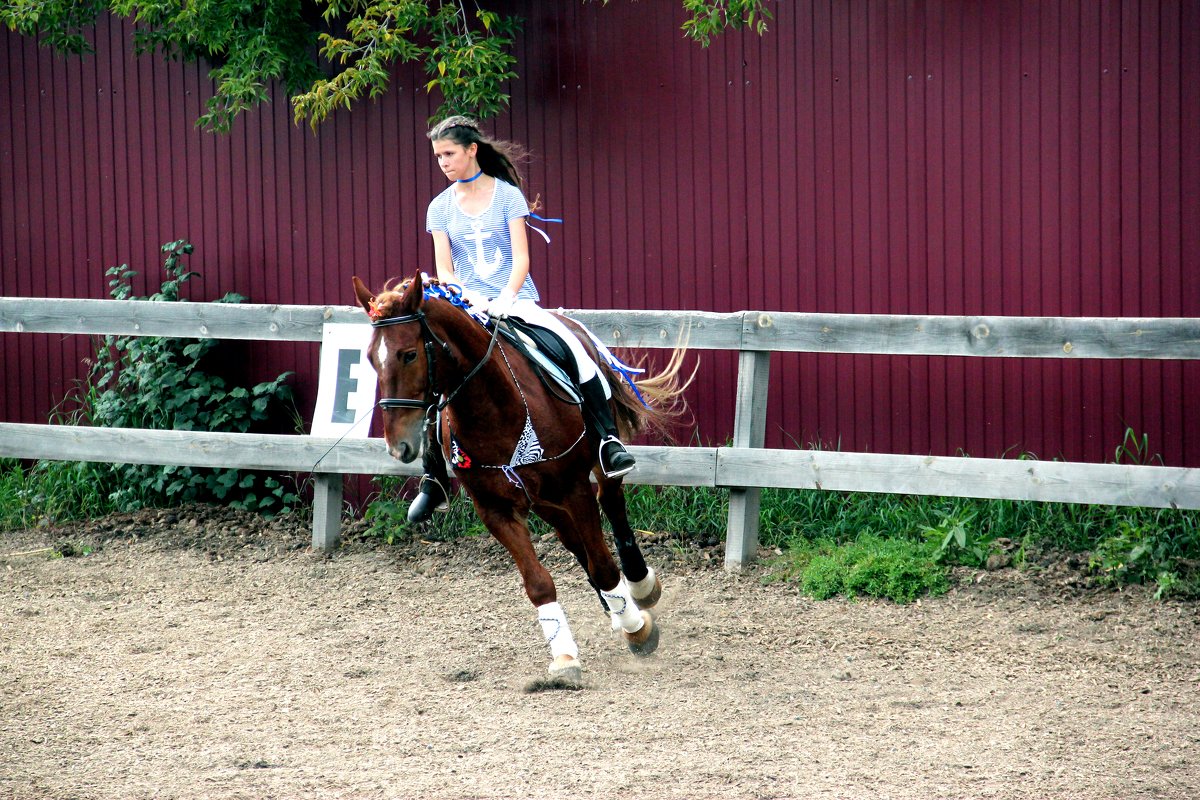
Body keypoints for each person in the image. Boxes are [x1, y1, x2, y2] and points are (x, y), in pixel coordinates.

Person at [406, 115, 635, 523]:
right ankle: (434, 475)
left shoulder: (508, 196)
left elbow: (522, 258)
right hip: (467, 304)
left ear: (471, 150)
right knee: (433, 367)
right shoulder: (438, 208)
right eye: (438, 156)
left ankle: (607, 442)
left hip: (515, 300)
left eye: (449, 153)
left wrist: (505, 299)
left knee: (575, 350)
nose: (442, 162)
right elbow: (445, 269)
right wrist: (468, 301)